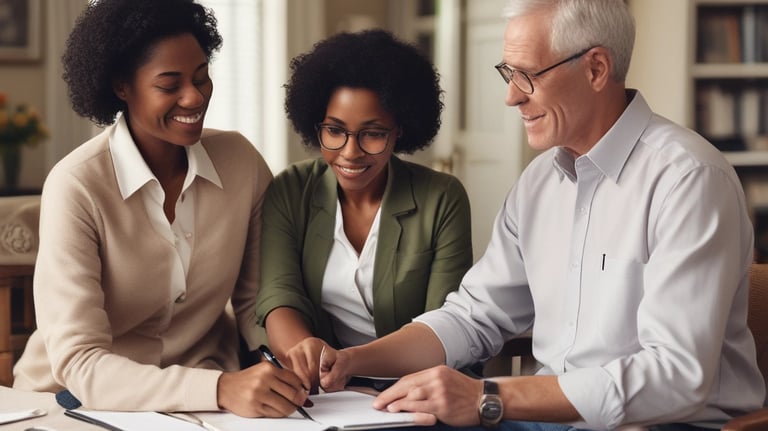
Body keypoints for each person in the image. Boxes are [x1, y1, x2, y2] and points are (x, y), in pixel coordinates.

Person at [318, 1, 767, 430]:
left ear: (596, 68)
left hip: (667, 424)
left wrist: (486, 397)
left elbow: (676, 375)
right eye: (508, 73)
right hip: (540, 419)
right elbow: (474, 316)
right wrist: (353, 360)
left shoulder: (689, 180)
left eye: (528, 75)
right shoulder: (539, 183)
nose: (511, 97)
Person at [12, 0, 308, 418]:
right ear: (122, 86)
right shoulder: (77, 186)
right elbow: (80, 362)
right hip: (72, 402)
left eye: (201, 77)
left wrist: (288, 357)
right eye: (169, 85)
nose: (194, 96)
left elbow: (256, 302)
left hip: (211, 403)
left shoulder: (241, 163)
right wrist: (221, 388)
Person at [253, 29, 473, 392]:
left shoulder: (441, 198)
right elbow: (279, 295)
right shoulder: (291, 189)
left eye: (372, 134)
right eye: (334, 130)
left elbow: (445, 325)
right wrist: (305, 355)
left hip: (419, 387)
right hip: (328, 392)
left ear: (399, 131)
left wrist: (348, 362)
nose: (350, 152)